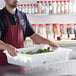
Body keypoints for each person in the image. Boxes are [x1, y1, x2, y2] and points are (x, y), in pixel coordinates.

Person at [0, 0, 59, 65]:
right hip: (4, 62)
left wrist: (49, 42)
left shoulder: (22, 15)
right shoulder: (1, 16)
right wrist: (7, 47)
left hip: (20, 60)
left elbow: (33, 36)